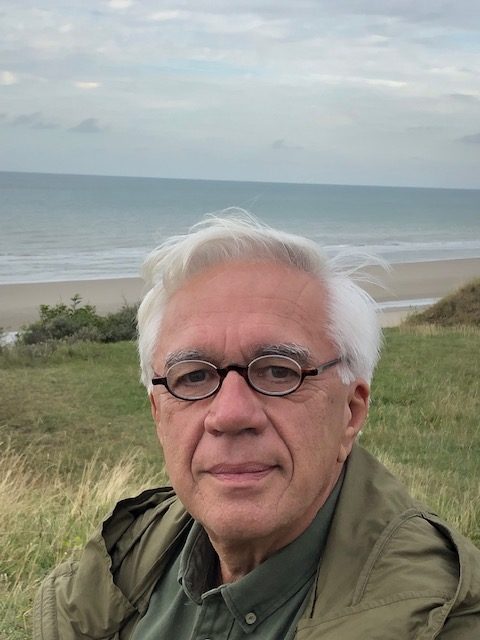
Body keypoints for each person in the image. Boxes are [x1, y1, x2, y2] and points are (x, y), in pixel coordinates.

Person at [34, 214, 480, 639]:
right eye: (194, 376)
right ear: (158, 415)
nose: (229, 415)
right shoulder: (119, 559)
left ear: (350, 412)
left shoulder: (445, 618)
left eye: (279, 371)